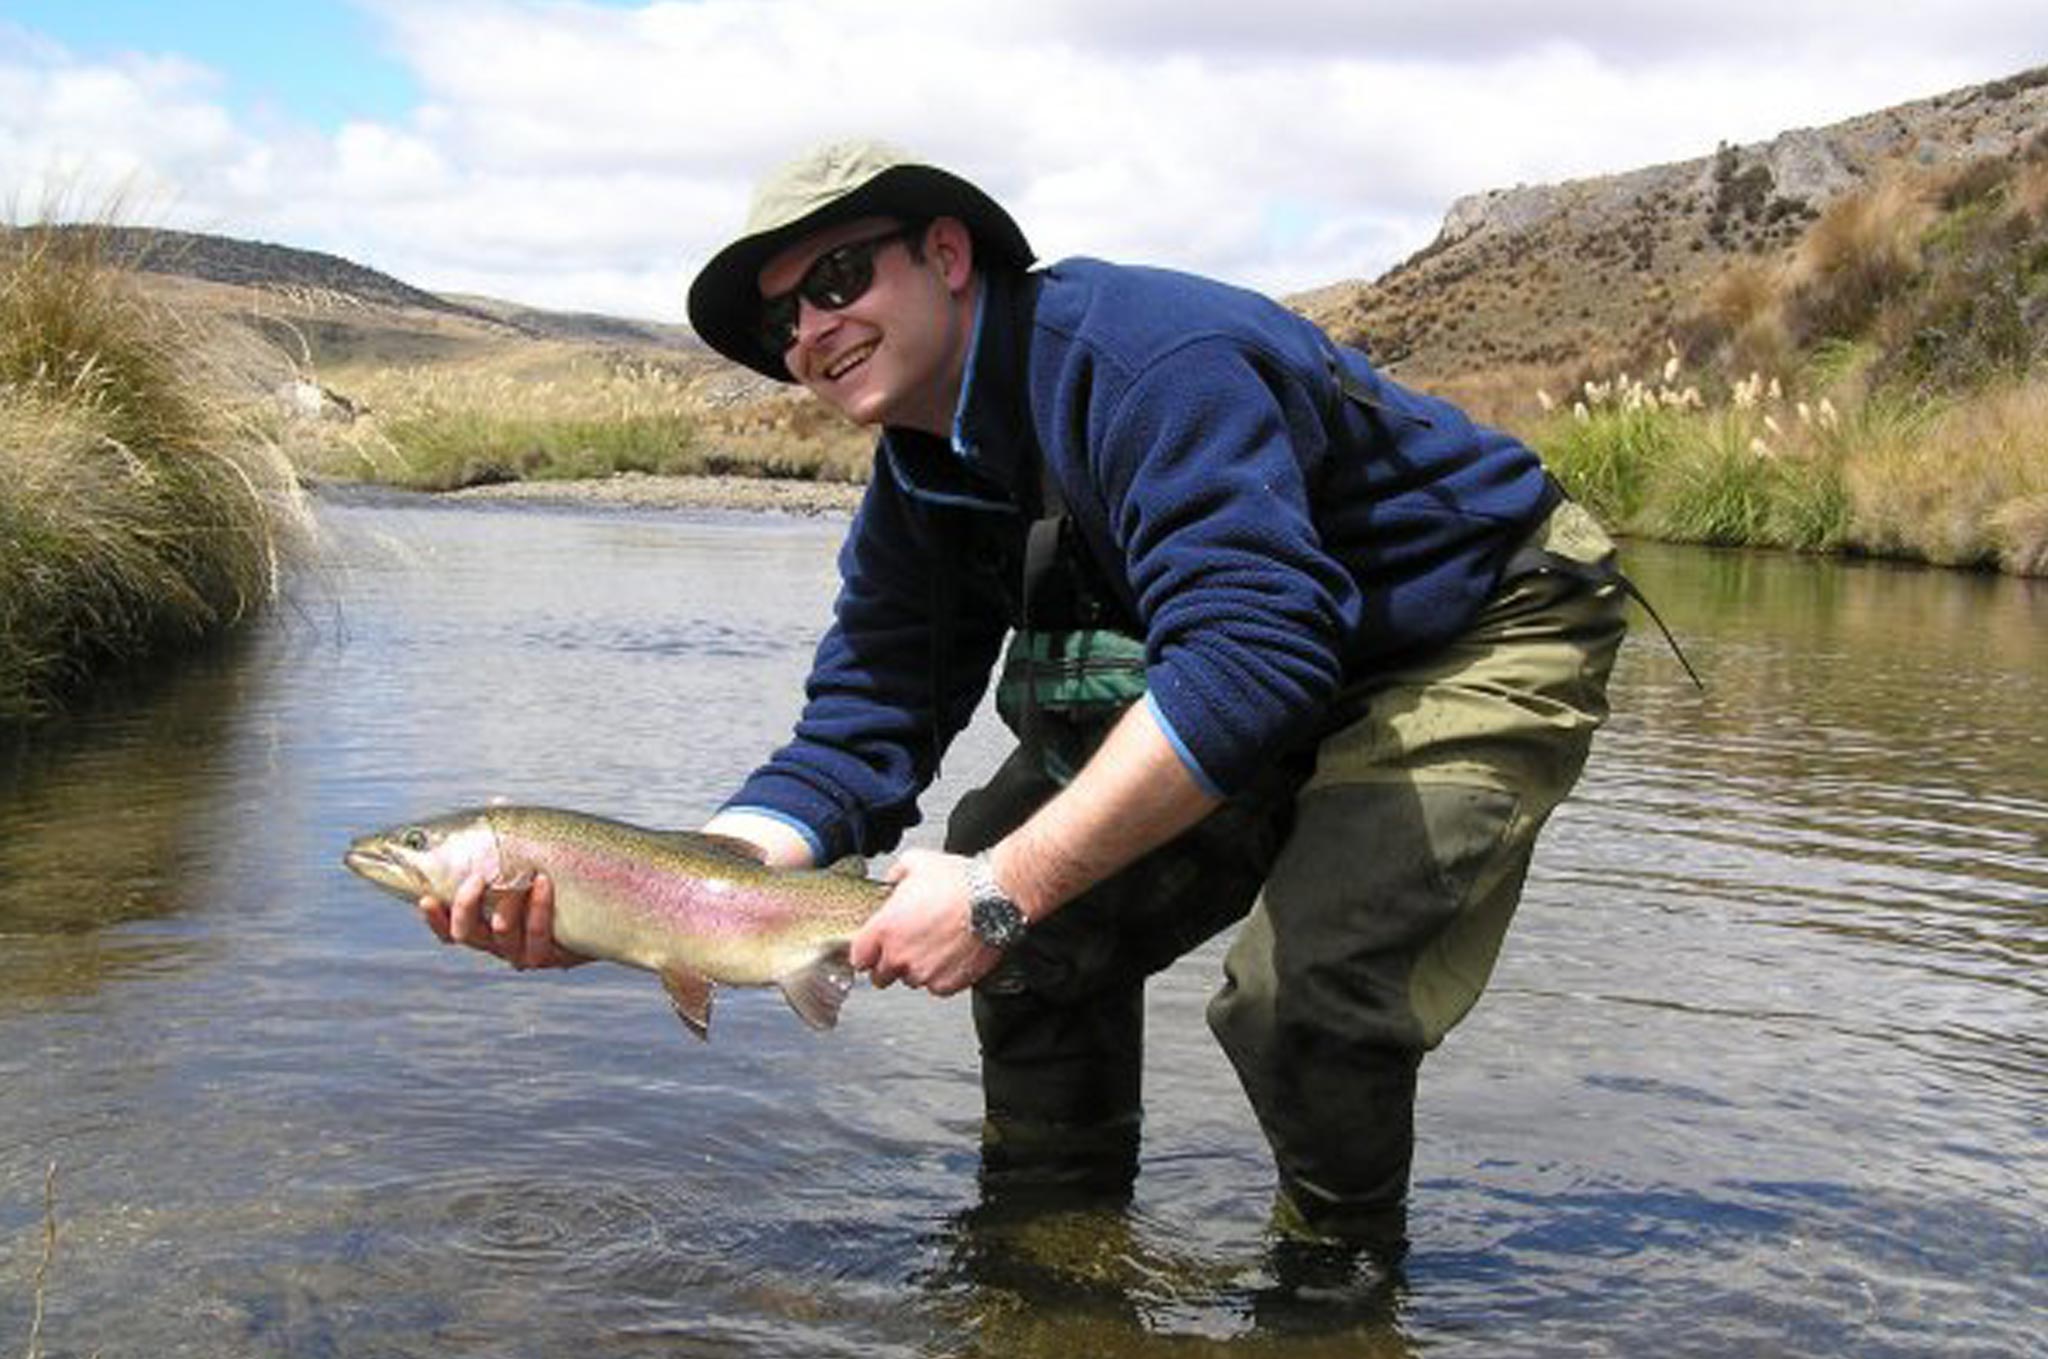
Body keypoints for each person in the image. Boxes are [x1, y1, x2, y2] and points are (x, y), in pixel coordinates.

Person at [425, 139, 1628, 1256]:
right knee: (1018, 904)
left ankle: (1338, 1305)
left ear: (947, 256)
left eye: (838, 277)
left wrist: (999, 894)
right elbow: (864, 728)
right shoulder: (920, 477)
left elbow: (1255, 655)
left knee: (1300, 993)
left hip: (1469, 625)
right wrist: (670, 893)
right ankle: (1053, 1256)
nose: (810, 328)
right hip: (1259, 658)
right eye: (783, 318)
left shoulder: (1149, 359)